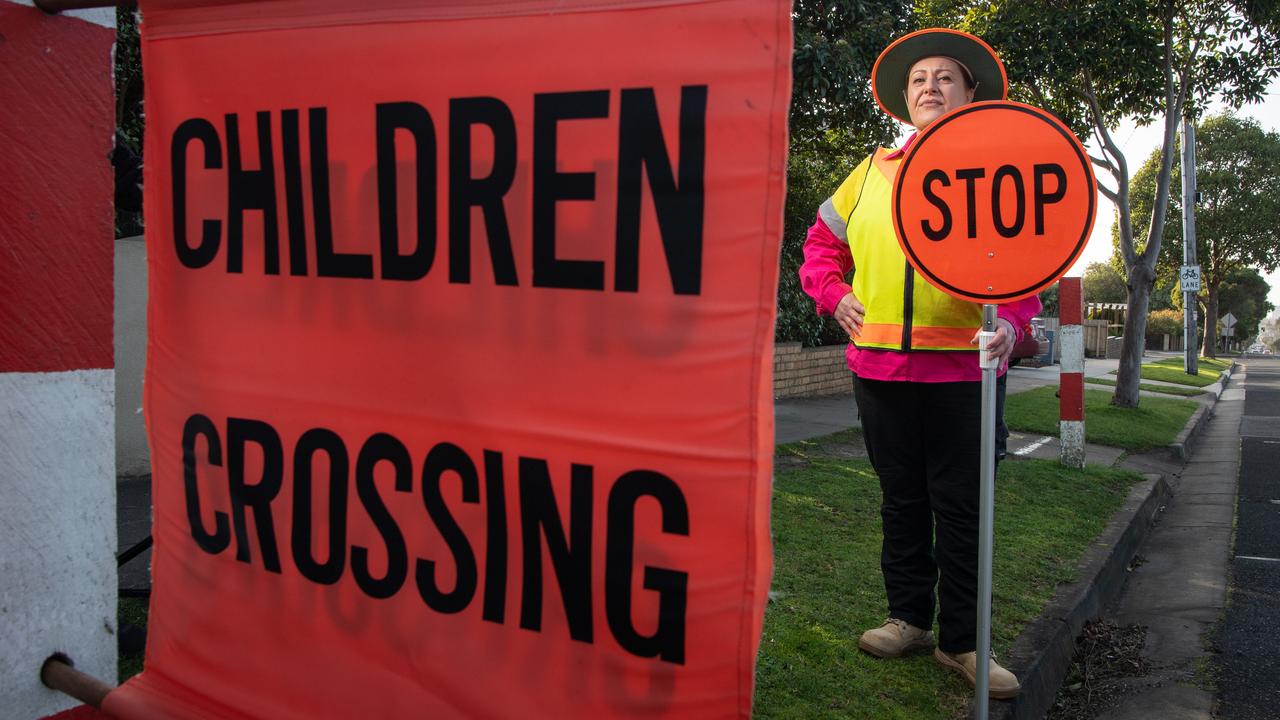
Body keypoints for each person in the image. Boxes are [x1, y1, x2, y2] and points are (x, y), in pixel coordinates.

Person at [798, 28, 1041, 699]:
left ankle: (963, 644)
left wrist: (1014, 329)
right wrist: (834, 293)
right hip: (878, 372)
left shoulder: (996, 175)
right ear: (905, 101)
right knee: (900, 501)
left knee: (963, 509)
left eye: (945, 78)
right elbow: (819, 250)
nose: (930, 86)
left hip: (964, 376)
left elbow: (1024, 278)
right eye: (919, 80)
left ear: (970, 95)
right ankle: (909, 619)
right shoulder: (868, 174)